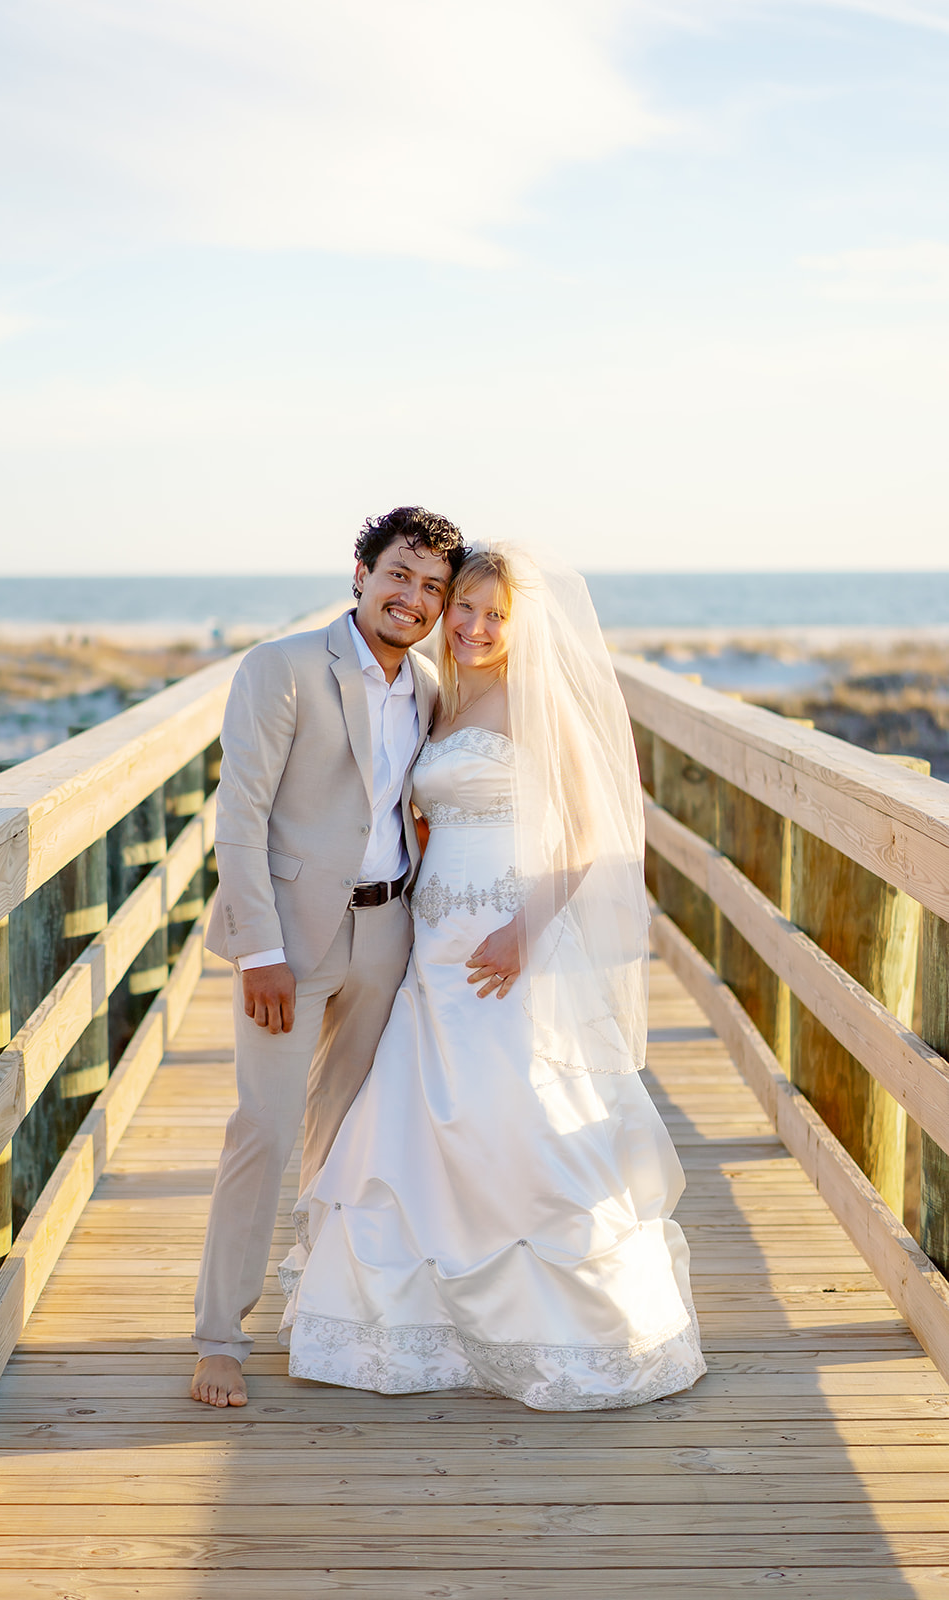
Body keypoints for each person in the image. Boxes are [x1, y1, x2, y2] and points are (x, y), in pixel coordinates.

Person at [278, 544, 706, 1410]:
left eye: (492, 615)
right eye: (462, 608)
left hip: (511, 933)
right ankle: (410, 1322)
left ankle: (561, 1331)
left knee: (523, 1107)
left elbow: (590, 834)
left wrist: (523, 931)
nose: (472, 627)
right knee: (420, 1113)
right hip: (431, 933)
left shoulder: (536, 698)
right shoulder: (444, 695)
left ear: (521, 624)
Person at [191, 506, 468, 1408]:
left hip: (389, 935)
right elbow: (239, 817)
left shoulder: (427, 687)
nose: (414, 597)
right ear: (360, 571)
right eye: (399, 574)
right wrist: (257, 948)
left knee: (346, 1133)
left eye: (432, 586)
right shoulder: (281, 668)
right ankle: (218, 1337)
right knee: (263, 1130)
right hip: (290, 940)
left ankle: (318, 1302)